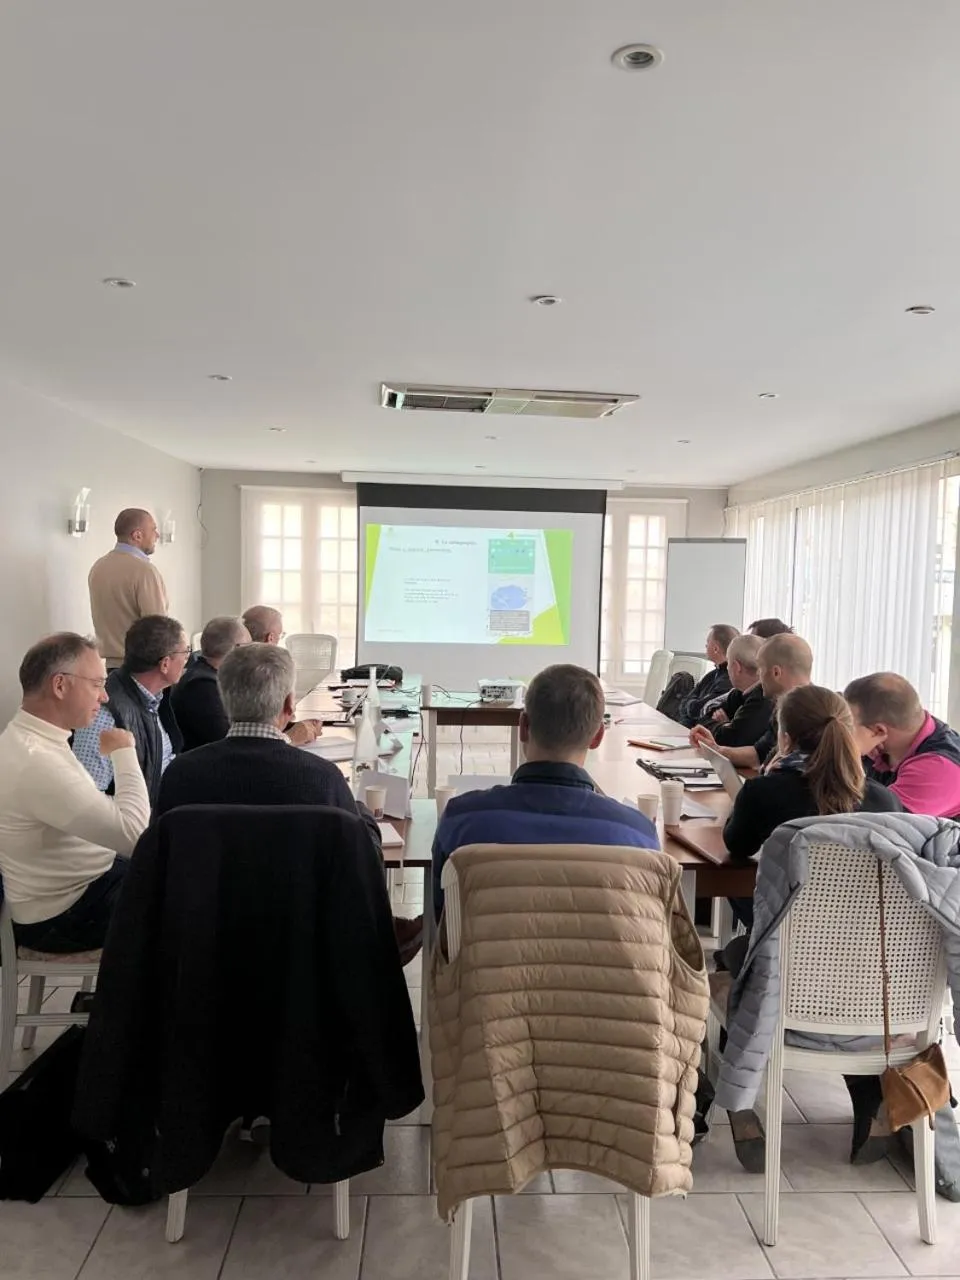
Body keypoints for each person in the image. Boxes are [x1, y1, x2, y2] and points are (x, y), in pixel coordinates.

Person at [156, 643, 422, 963]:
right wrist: (363, 812)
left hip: (200, 942)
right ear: (289, 705)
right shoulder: (321, 779)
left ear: (225, 702)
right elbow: (360, 855)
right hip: (304, 940)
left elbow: (160, 862)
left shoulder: (179, 775)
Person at [431, 664, 659, 921]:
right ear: (597, 737)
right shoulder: (638, 835)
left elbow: (443, 920)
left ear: (524, 726)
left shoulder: (461, 820)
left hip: (489, 961)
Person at [0, 633, 150, 952]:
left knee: (186, 878)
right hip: (64, 913)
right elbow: (136, 835)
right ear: (60, 685)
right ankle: (134, 1000)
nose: (105, 697)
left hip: (84, 888)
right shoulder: (36, 761)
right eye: (97, 684)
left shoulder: (36, 740)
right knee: (193, 904)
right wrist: (124, 752)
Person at [72, 616, 189, 807]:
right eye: (185, 652)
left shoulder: (157, 697)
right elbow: (90, 795)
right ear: (165, 664)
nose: (187, 659)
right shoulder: (105, 713)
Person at [844, 673, 960, 820]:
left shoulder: (940, 769)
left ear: (879, 731)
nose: (844, 732)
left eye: (848, 725)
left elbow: (864, 823)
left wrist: (849, 753)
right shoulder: (888, 743)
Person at [692, 633, 813, 769]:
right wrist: (715, 749)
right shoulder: (783, 706)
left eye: (760, 668)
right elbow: (758, 754)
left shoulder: (814, 713)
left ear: (776, 673)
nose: (758, 675)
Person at [88, 509, 168, 670]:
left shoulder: (98, 567)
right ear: (137, 535)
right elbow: (157, 627)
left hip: (110, 667)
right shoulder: (144, 571)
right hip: (142, 668)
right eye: (153, 529)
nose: (157, 535)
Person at [170, 616, 250, 751]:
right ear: (237, 649)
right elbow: (231, 743)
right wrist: (289, 738)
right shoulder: (202, 687)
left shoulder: (210, 675)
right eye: (249, 646)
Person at [690, 634, 772, 747]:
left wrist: (724, 724)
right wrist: (726, 726)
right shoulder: (739, 692)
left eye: (728, 663)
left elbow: (731, 740)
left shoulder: (763, 698)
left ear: (736, 667)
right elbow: (702, 722)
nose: (727, 669)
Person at [677, 624, 740, 726]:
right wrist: (692, 705)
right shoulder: (711, 675)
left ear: (715, 649)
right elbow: (685, 703)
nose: (705, 646)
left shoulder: (729, 679)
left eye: (707, 642)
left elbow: (698, 709)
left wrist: (692, 704)